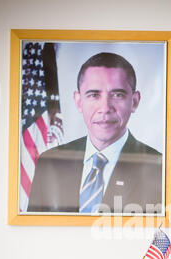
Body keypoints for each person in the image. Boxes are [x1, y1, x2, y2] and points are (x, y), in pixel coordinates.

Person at [27, 52, 162, 214]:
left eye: (117, 95)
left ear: (134, 101)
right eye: (94, 95)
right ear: (78, 101)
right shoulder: (50, 163)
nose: (105, 108)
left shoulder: (160, 169)